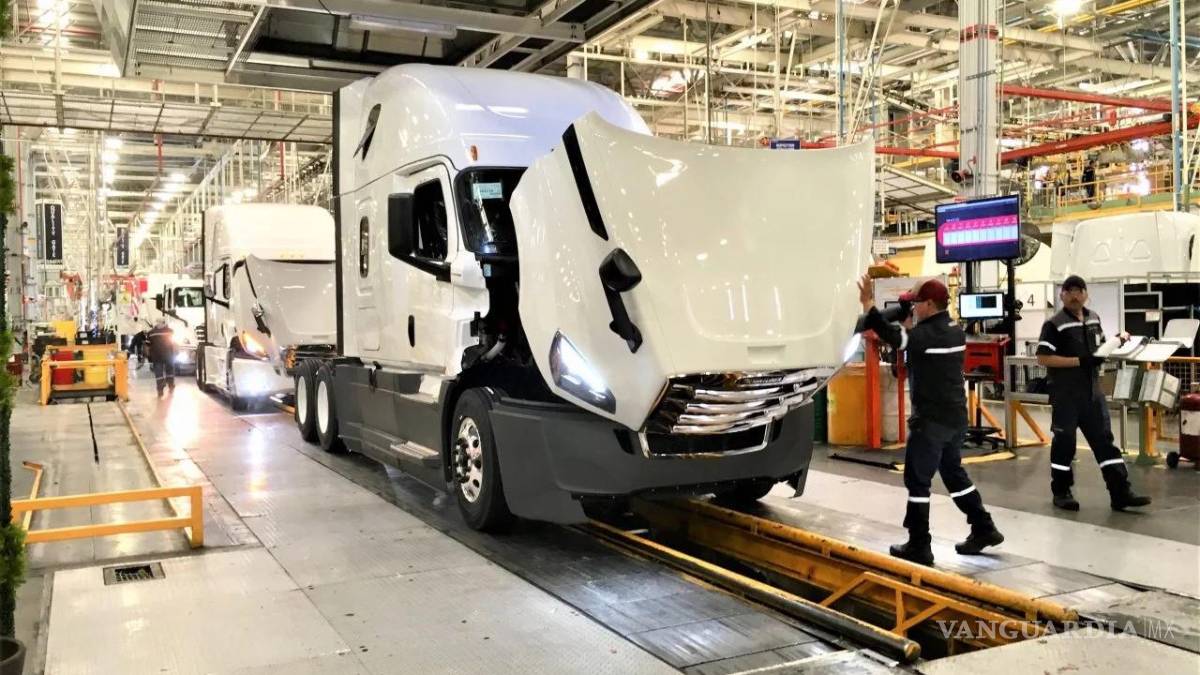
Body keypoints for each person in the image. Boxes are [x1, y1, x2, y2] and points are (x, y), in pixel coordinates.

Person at [857, 276, 1004, 566]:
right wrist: (909, 322)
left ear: (928, 304)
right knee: (953, 474)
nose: (913, 308)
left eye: (916, 303)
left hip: (931, 420)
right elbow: (917, 343)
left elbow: (895, 338)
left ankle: (919, 544)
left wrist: (869, 306)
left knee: (917, 480)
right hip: (955, 417)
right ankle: (984, 527)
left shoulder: (927, 335)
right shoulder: (953, 329)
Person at [1035, 275, 1151, 511]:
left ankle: (1121, 492)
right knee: (1065, 443)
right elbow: (1043, 357)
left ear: (1086, 294)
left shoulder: (1093, 319)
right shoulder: (1054, 324)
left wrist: (1115, 345)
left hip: (1092, 394)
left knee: (1105, 442)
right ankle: (1061, 491)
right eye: (1069, 291)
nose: (1074, 295)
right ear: (1062, 295)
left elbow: (1099, 348)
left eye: (1079, 291)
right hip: (1066, 395)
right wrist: (1079, 361)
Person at [146, 319, 177, 398]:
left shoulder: (151, 333)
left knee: (158, 373)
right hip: (168, 355)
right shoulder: (170, 331)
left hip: (156, 356)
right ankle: (171, 386)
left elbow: (147, 346)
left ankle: (160, 390)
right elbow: (174, 344)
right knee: (170, 372)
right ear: (164, 323)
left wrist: (148, 356)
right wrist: (175, 353)